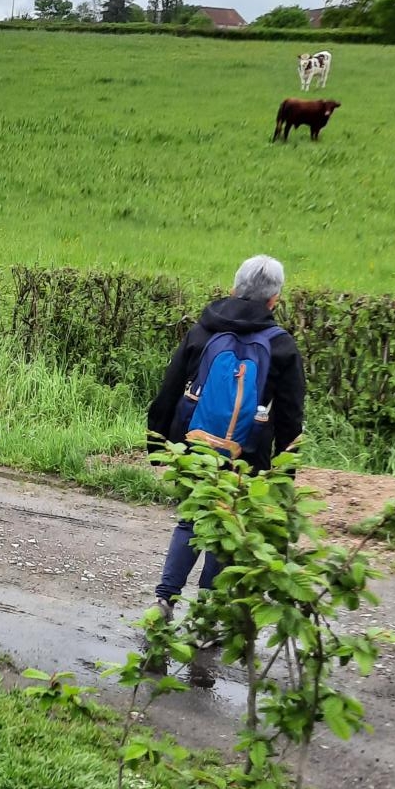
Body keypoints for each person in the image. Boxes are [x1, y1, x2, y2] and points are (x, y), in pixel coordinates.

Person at [146, 253, 306, 614]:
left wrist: (157, 443)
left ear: (233, 288)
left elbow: (169, 390)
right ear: (274, 299)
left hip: (194, 444)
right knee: (229, 524)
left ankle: (165, 599)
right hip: (248, 453)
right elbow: (291, 417)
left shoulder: (203, 330)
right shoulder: (281, 346)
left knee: (191, 518)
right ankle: (209, 610)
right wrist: (285, 476)